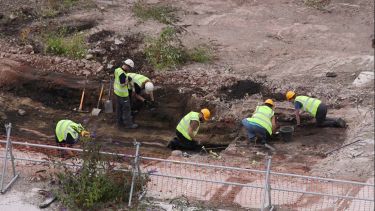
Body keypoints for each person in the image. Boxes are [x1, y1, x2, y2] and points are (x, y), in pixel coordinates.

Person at [114, 59, 138, 129]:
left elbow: (116, 79)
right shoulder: (123, 74)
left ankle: (119, 123)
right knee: (127, 109)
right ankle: (129, 124)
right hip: (123, 95)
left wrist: (127, 78)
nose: (129, 69)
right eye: (129, 68)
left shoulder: (117, 70)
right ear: (127, 66)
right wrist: (127, 82)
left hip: (117, 93)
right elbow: (122, 84)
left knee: (119, 109)